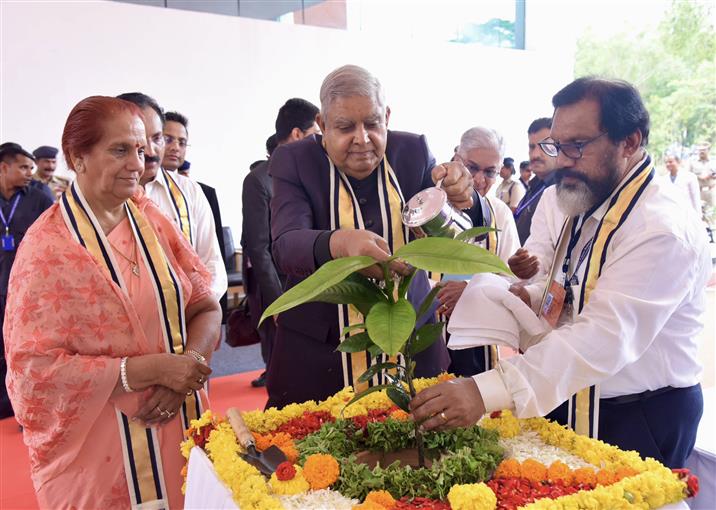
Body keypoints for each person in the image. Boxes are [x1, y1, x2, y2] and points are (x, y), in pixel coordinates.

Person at [411, 78, 710, 469]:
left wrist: (483, 392)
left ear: (630, 142)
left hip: (640, 414)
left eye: (577, 146)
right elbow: (571, 288)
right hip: (577, 393)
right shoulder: (592, 197)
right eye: (556, 145)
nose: (561, 159)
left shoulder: (661, 228)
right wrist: (528, 296)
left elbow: (602, 336)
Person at [4, 96, 220, 508]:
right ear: (77, 157)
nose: (137, 164)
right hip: (104, 452)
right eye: (120, 150)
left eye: (140, 150)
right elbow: (32, 372)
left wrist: (186, 369)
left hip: (183, 423)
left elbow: (206, 307)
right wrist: (146, 371)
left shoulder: (153, 221)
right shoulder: (48, 248)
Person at [267, 65, 487, 408]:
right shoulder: (295, 160)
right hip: (321, 348)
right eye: (344, 127)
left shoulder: (411, 151)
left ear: (386, 116)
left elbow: (450, 221)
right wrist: (339, 244)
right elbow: (286, 244)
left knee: (423, 445)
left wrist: (463, 192)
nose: (362, 139)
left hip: (411, 338)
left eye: (372, 123)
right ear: (323, 125)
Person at [117, 93, 227, 303]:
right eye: (137, 140)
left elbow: (211, 264)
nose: (149, 150)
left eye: (157, 138)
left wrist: (200, 315)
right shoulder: (99, 198)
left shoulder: (190, 191)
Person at [241, 98, 320, 388]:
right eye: (316, 132)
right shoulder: (258, 180)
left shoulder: (311, 173)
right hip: (275, 286)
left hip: (308, 284)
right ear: (297, 134)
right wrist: (278, 303)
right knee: (279, 363)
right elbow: (258, 248)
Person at [436, 127, 520, 377]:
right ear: (455, 159)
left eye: (490, 172)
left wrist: (473, 291)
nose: (480, 180)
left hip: (480, 335)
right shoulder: (429, 205)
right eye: (472, 168)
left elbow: (512, 279)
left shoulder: (499, 213)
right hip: (430, 328)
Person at [0, 142, 54, 419]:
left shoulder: (40, 196)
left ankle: (29, 410)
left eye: (31, 167)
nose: (29, 173)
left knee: (30, 352)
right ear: (3, 167)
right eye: (23, 167)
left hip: (28, 292)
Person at [162, 111, 228, 321]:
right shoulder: (127, 189)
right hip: (145, 312)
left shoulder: (191, 191)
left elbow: (212, 259)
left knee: (195, 355)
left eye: (182, 142)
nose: (175, 147)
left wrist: (204, 310)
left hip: (190, 309)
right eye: (168, 139)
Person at [514, 117, 558, 244]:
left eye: (545, 146)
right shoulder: (534, 185)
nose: (535, 155)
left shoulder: (563, 191)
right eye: (532, 147)